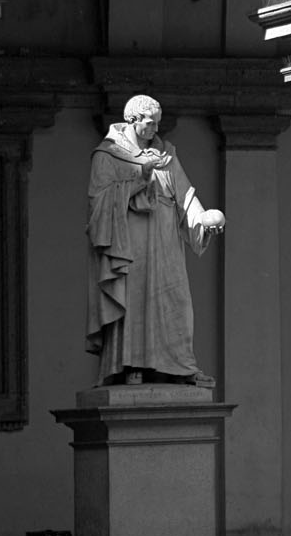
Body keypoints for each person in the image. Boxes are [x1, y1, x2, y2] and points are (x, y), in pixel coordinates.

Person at [86, 94, 225, 385]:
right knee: (135, 300)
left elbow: (185, 197)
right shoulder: (108, 155)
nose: (155, 130)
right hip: (130, 242)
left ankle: (183, 367)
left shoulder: (167, 155)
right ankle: (130, 365)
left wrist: (202, 221)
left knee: (177, 302)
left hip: (166, 241)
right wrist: (140, 176)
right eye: (150, 123)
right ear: (133, 120)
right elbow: (99, 201)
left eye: (158, 124)